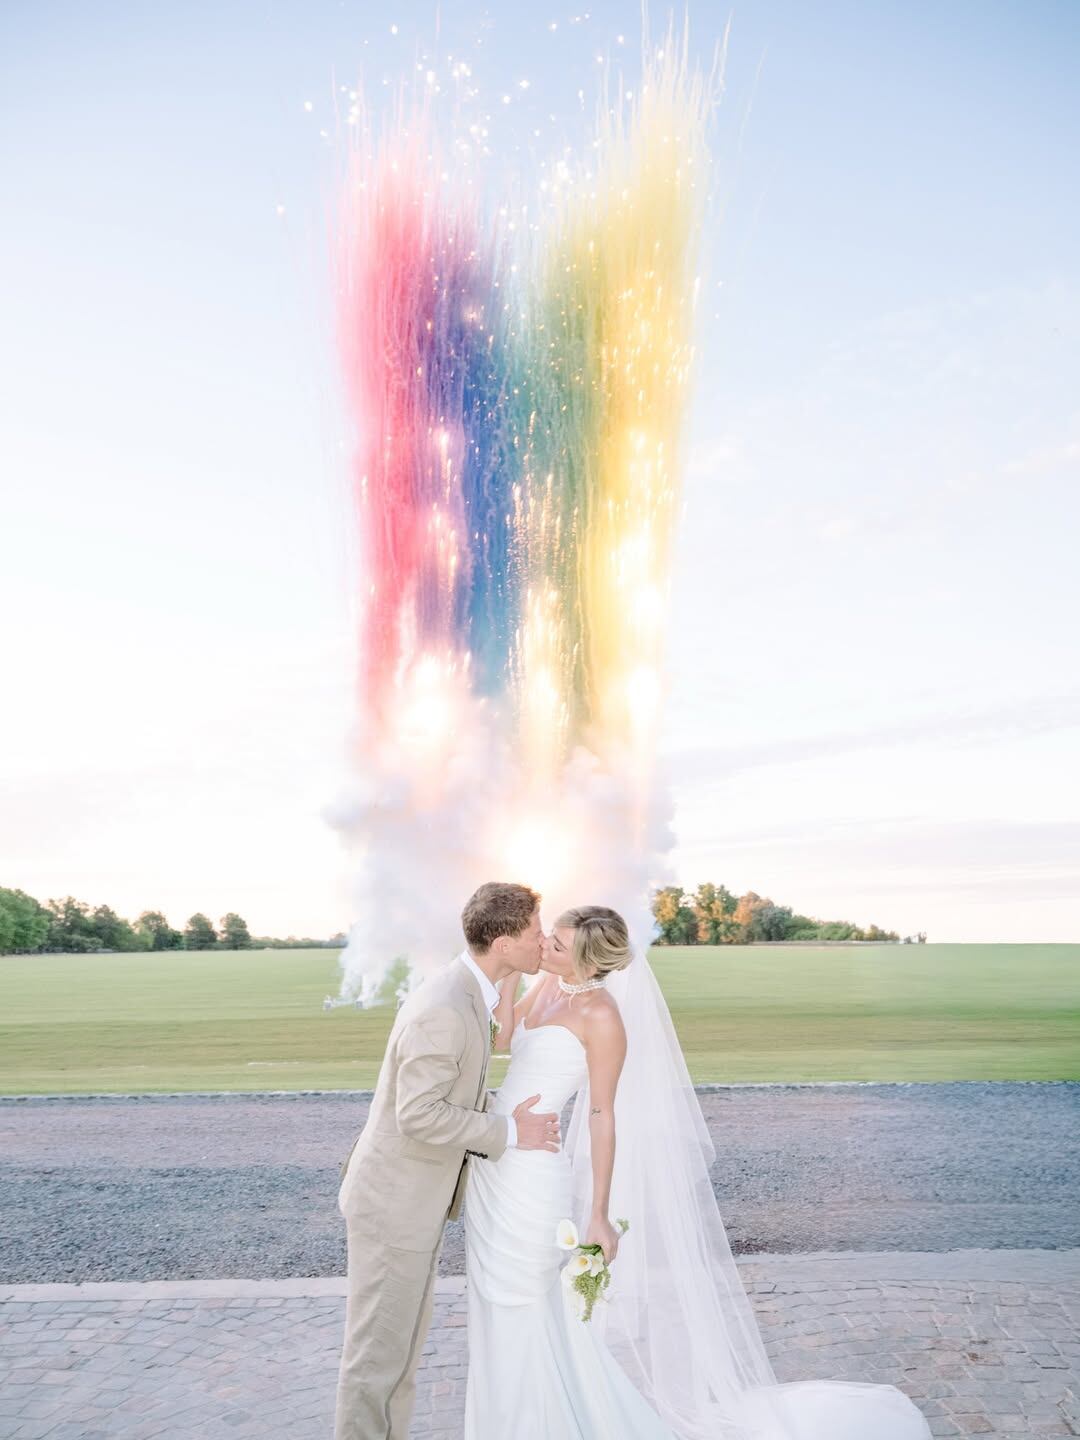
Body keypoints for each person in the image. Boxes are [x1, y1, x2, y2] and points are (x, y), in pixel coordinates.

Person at [463, 904, 935, 1440]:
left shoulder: (601, 1016)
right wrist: (508, 975)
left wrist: (598, 1212)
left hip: (537, 1171)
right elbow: (503, 1042)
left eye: (557, 945)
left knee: (529, 1296)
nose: (544, 945)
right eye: (548, 937)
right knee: (509, 1304)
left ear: (588, 962)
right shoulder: (547, 986)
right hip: (500, 1163)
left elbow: (602, 1114)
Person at [333, 881, 561, 1440]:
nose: (544, 941)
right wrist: (509, 1130)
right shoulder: (444, 1007)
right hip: (393, 1206)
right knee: (376, 1362)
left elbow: (459, 1086)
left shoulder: (469, 993)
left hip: (415, 1205)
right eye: (535, 932)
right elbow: (420, 1115)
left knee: (402, 1356)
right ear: (505, 941)